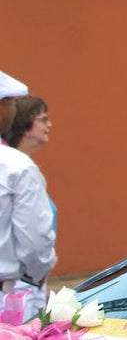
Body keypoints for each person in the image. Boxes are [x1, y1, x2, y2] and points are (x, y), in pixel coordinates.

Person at [0, 71, 56, 312]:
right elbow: (34, 240)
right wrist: (37, 274)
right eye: (10, 103)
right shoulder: (16, 166)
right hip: (10, 293)